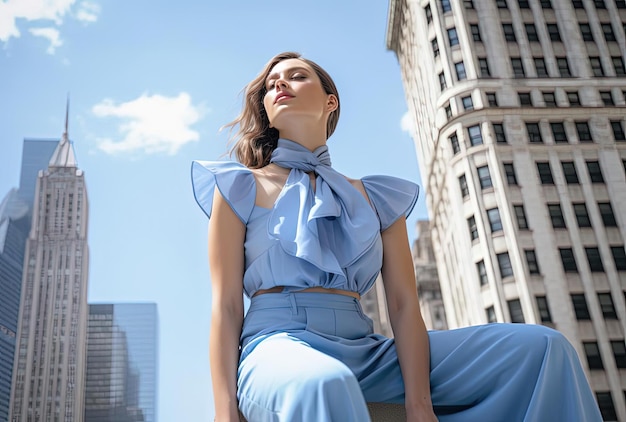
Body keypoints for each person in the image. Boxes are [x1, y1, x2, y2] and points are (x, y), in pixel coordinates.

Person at [191, 51, 602, 422]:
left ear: (330, 101)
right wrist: (225, 411)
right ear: (265, 106)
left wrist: (418, 404)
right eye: (270, 84)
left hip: (367, 349)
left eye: (296, 76)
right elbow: (226, 306)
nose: (279, 84)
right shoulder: (238, 187)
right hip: (278, 345)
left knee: (542, 348)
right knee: (324, 383)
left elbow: (404, 306)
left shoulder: (378, 197)